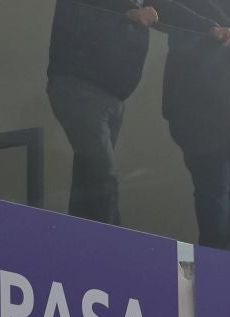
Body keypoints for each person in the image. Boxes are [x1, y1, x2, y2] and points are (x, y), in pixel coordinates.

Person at [43, 0, 157, 225]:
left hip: (111, 94)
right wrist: (127, 15)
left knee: (89, 185)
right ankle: (114, 253)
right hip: (78, 85)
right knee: (104, 177)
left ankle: (81, 250)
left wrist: (210, 27)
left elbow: (172, 11)